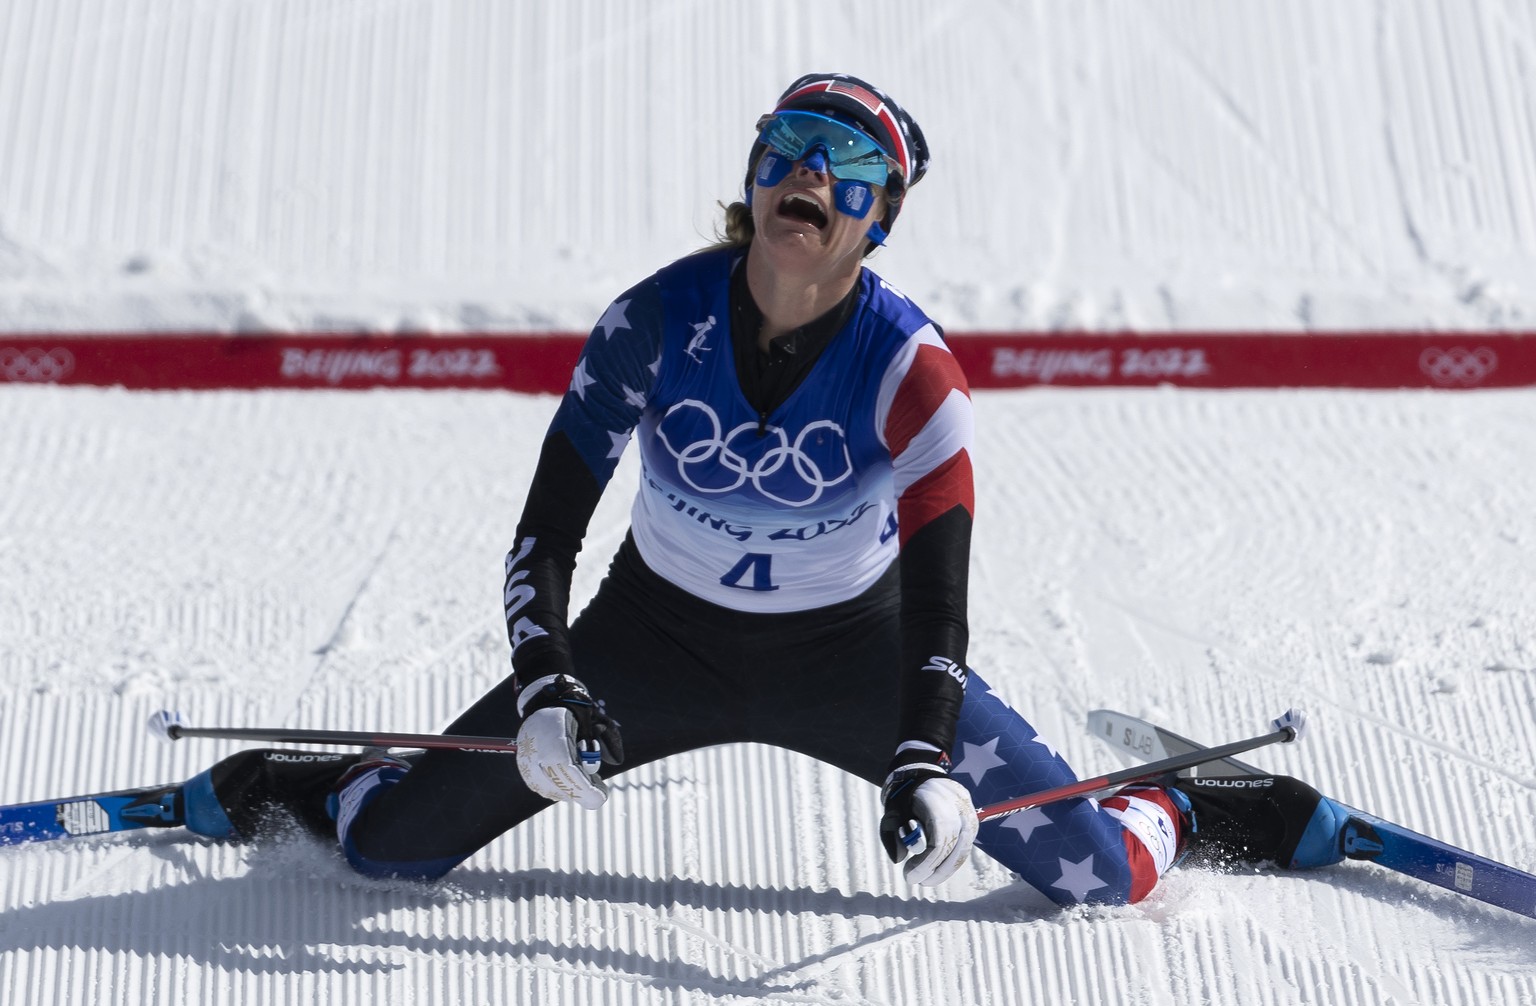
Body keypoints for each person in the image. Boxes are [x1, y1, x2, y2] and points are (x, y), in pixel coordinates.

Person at [171, 73, 1350, 905]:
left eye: (849, 167)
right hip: (650, 642)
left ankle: (1184, 803)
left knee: (1102, 878)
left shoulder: (913, 373)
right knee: (386, 849)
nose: (810, 175)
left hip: (858, 656)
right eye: (789, 145)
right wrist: (547, 684)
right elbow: (545, 536)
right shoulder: (650, 322)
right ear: (754, 174)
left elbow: (941, 604)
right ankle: (331, 781)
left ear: (880, 217)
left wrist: (925, 757)